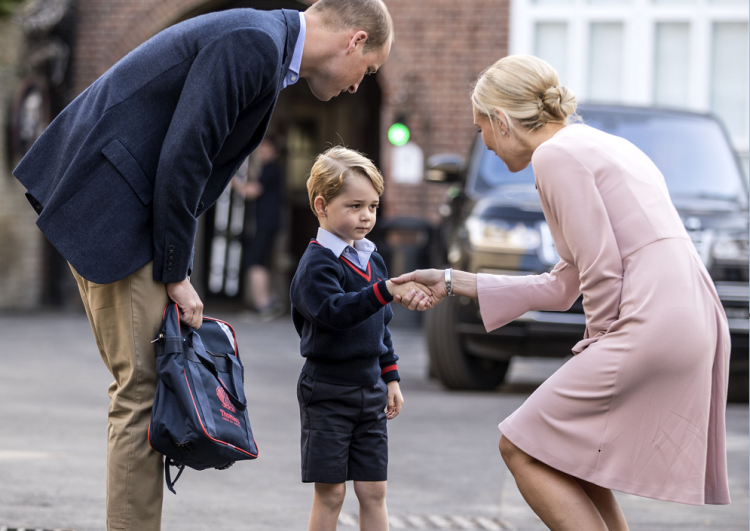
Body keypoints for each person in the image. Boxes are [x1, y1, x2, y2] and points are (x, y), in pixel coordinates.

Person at [12, 1, 393, 529]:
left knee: (142, 389)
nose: (359, 85)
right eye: (368, 70)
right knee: (143, 393)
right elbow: (185, 157)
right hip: (119, 213)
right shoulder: (254, 43)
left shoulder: (263, 42)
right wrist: (177, 271)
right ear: (354, 41)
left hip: (121, 208)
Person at [391, 55, 731, 530]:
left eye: (480, 129)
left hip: (649, 321)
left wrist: (598, 341)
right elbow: (564, 283)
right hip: (689, 314)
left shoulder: (556, 157)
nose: (484, 144)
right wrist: (450, 280)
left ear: (502, 122)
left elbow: (600, 268)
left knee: (521, 447)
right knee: (575, 458)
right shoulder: (598, 145)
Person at [290, 147, 431, 531]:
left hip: (370, 389)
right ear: (322, 206)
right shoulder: (316, 264)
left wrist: (391, 378)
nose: (366, 216)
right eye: (354, 206)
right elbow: (335, 313)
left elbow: (379, 326)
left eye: (373, 206)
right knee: (331, 493)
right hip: (328, 391)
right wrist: (384, 290)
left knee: (374, 491)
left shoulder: (371, 259)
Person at [233, 138, 285, 317]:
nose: (261, 151)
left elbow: (251, 191)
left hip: (265, 222)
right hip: (268, 223)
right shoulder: (270, 168)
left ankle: (263, 304)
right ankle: (269, 301)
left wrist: (230, 180)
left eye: (265, 148)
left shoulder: (271, 168)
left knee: (254, 260)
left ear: (274, 151)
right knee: (261, 260)